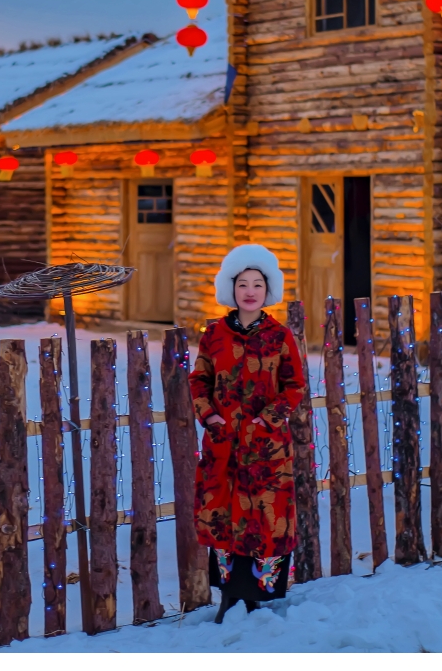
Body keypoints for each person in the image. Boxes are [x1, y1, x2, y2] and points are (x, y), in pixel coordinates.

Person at [190, 244, 307, 623]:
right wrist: (209, 418)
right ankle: (229, 595)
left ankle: (255, 595)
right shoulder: (214, 334)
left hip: (266, 450)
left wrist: (268, 420)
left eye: (258, 283)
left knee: (264, 519)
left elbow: (295, 386)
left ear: (267, 289)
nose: (250, 291)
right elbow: (199, 380)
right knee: (224, 515)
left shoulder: (279, 336)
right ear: (232, 288)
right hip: (224, 446)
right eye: (243, 284)